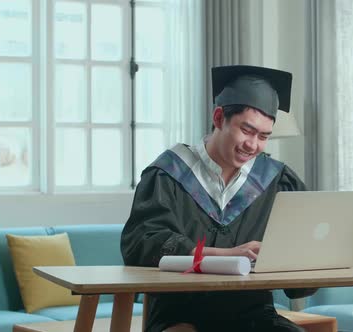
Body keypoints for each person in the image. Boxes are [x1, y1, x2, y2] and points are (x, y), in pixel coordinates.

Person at [121, 65, 314, 332]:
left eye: (263, 136)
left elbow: (305, 254)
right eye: (246, 130)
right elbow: (141, 243)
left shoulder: (277, 180)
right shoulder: (169, 173)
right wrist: (224, 255)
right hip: (180, 315)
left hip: (253, 316)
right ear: (219, 117)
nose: (253, 145)